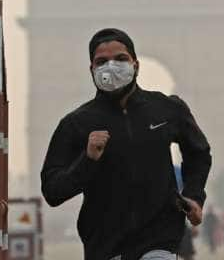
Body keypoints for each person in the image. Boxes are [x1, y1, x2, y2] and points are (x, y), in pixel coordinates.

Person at [41, 28, 212, 260]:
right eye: (102, 61)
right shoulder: (76, 124)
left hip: (159, 238)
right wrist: (88, 159)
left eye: (120, 59)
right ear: (92, 70)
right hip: (105, 244)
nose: (112, 66)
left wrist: (194, 196)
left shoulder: (166, 109)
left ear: (136, 65)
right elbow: (52, 191)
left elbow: (199, 153)